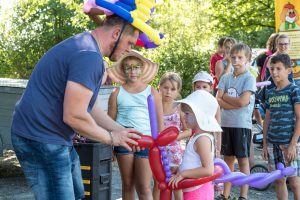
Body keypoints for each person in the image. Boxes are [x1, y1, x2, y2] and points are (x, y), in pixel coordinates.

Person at [11, 14, 142, 199]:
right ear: (116, 34)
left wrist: (121, 131)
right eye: (130, 43)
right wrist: (111, 138)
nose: (129, 50)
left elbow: (91, 108)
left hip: (53, 137)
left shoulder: (86, 45)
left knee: (78, 194)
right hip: (40, 138)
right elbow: (74, 116)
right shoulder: (89, 57)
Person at [107, 50, 164, 200]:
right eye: (128, 67)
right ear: (123, 70)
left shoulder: (151, 91)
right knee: (127, 184)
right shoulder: (116, 92)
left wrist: (161, 146)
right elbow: (110, 122)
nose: (132, 71)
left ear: (142, 68)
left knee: (144, 187)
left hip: (147, 141)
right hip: (124, 141)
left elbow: (159, 121)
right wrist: (111, 146)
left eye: (136, 67)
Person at [216, 43, 256, 200]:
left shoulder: (249, 78)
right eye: (233, 57)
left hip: (241, 125)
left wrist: (225, 97)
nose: (236, 60)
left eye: (240, 57)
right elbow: (217, 99)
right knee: (228, 161)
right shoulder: (225, 78)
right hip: (226, 123)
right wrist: (229, 100)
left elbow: (242, 102)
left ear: (247, 59)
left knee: (243, 160)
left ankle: (243, 195)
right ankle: (225, 194)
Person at [168, 90, 223, 200]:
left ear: (199, 115)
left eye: (187, 113)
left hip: (198, 192)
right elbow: (195, 163)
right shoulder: (197, 136)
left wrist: (183, 174)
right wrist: (179, 169)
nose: (184, 117)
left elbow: (208, 170)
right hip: (194, 190)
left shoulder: (202, 139)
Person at [262, 53, 300, 200]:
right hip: (273, 143)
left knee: (295, 181)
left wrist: (292, 145)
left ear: (288, 71)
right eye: (272, 69)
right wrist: (265, 144)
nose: (274, 72)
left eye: (278, 68)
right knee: (279, 180)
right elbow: (267, 120)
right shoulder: (270, 93)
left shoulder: (294, 90)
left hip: (289, 143)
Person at [155, 72, 192, 200]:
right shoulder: (154, 106)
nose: (168, 92)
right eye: (165, 87)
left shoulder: (179, 107)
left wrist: (175, 137)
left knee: (176, 183)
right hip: (157, 151)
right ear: (159, 87)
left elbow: (189, 131)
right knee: (158, 183)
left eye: (172, 89)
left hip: (174, 152)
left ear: (177, 91)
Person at [192, 71, 221, 158]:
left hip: (209, 140)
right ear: (194, 88)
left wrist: (218, 149)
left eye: (204, 87)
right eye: (198, 87)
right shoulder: (191, 103)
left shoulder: (214, 104)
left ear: (211, 88)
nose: (201, 90)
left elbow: (218, 127)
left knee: (207, 165)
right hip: (193, 140)